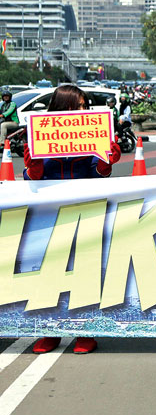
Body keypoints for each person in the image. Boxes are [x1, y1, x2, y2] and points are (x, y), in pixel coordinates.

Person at [23, 84, 121, 355]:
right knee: (49, 272)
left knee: (84, 270)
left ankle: (85, 332)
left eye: (84, 106)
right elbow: (31, 178)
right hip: (50, 213)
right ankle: (50, 332)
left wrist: (106, 162)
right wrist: (34, 165)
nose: (83, 110)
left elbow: (98, 172)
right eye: (77, 106)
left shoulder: (93, 131)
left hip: (85, 209)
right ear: (61, 107)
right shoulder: (41, 132)